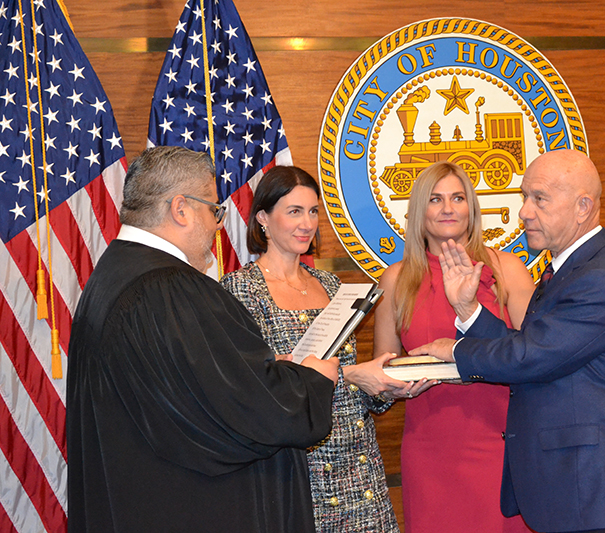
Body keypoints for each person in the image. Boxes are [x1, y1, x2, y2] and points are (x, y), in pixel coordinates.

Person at [67, 146, 339, 533]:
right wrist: (311, 380)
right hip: (188, 507)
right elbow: (254, 413)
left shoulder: (112, 273)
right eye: (214, 210)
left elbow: (196, 392)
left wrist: (260, 372)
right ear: (181, 209)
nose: (216, 225)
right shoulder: (170, 288)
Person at [411, 150, 605, 533]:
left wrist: (456, 349)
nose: (524, 213)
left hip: (597, 493)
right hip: (574, 492)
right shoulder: (569, 269)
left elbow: (530, 357)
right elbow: (533, 346)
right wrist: (468, 312)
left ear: (583, 207)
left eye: (539, 199)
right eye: (524, 197)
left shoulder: (598, 279)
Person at [221, 165, 419, 533]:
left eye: (313, 211)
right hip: (297, 468)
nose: (307, 223)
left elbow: (349, 379)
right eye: (294, 211)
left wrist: (384, 385)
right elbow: (256, 385)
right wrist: (352, 375)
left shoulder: (330, 283)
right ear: (263, 218)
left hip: (359, 467)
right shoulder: (239, 289)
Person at [373, 161, 536, 532]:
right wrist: (393, 383)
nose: (448, 208)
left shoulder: (505, 268)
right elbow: (381, 369)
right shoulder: (396, 280)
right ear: (419, 211)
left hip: (500, 444)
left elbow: (535, 355)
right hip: (429, 450)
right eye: (435, 199)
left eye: (458, 198)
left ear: (471, 208)